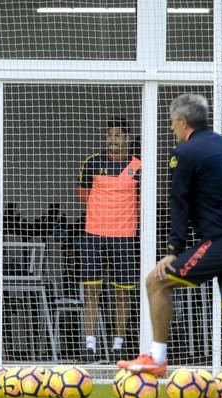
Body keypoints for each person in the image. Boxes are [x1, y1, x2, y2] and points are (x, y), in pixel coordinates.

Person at [117, 94, 222, 398]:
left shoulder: (184, 152)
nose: (172, 128)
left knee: (155, 281)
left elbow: (179, 203)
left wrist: (173, 247)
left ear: (182, 122)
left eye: (172, 123)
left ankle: (157, 358)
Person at [77, 118, 141, 362]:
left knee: (121, 293)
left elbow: (143, 201)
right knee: (91, 291)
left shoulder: (138, 166)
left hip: (124, 237)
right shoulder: (93, 163)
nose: (112, 139)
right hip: (94, 234)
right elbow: (83, 196)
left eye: (117, 135)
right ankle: (89, 346)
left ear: (127, 138)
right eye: (109, 135)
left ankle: (118, 346)